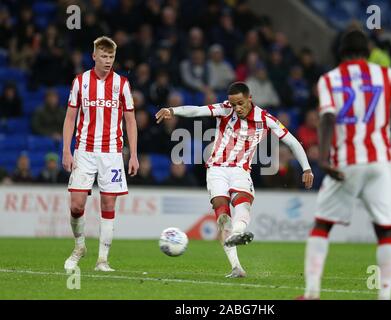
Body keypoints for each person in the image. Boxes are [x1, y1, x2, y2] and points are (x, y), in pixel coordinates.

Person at [300, 30, 391, 300]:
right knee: (386, 231)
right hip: (381, 162)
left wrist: (323, 158)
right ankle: (385, 296)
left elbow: (328, 119)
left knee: (322, 225)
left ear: (340, 53)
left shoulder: (329, 79)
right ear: (367, 52)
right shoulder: (386, 75)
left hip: (346, 163)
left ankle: (311, 293)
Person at [156, 81, 314, 278]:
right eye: (233, 104)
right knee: (222, 213)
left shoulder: (265, 118)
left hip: (240, 170)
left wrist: (306, 168)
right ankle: (236, 267)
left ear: (250, 99)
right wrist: (173, 110)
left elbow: (291, 141)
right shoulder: (224, 109)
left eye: (240, 103)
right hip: (217, 169)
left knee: (242, 203)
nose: (236, 108)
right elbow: (197, 111)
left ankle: (238, 232)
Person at [62, 36, 139, 272]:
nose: (108, 61)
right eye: (104, 56)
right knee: (76, 205)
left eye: (111, 57)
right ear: (94, 56)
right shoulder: (80, 81)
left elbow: (130, 120)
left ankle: (102, 260)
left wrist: (133, 154)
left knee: (108, 203)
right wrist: (66, 150)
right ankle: (79, 246)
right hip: (84, 150)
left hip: (112, 154)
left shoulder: (122, 84)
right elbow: (70, 117)